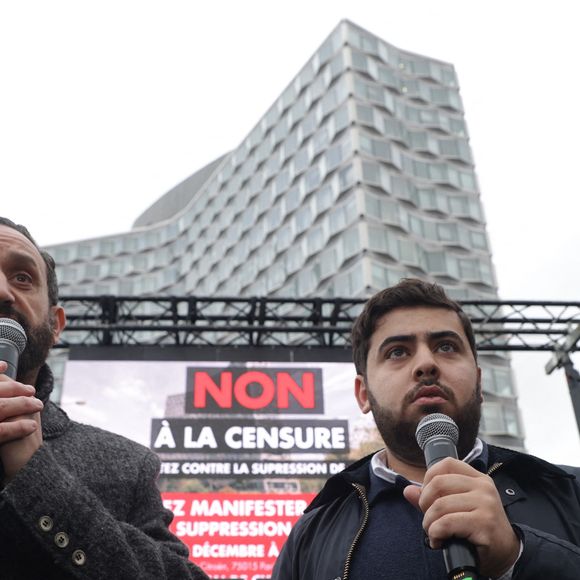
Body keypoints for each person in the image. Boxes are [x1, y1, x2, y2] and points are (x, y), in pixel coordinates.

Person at [272, 278, 580, 579]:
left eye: (446, 346)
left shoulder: (570, 491)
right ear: (363, 393)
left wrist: (517, 558)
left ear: (479, 380)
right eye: (397, 351)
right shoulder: (310, 536)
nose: (426, 364)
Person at [0, 217, 209, 579]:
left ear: (56, 325)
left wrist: (39, 478)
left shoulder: (128, 466)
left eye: (22, 278)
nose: (2, 292)